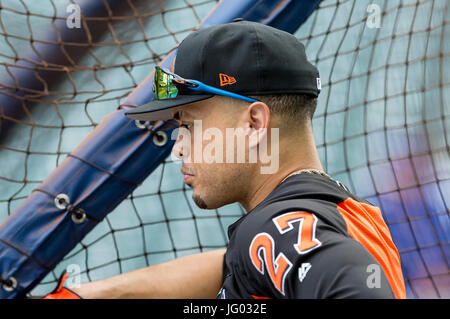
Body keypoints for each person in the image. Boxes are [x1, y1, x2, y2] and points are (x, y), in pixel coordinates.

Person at [44, 20, 406, 299]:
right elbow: (234, 264)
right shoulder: (338, 212)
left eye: (189, 125)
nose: (179, 148)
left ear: (254, 124)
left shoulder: (276, 226)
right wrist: (98, 292)